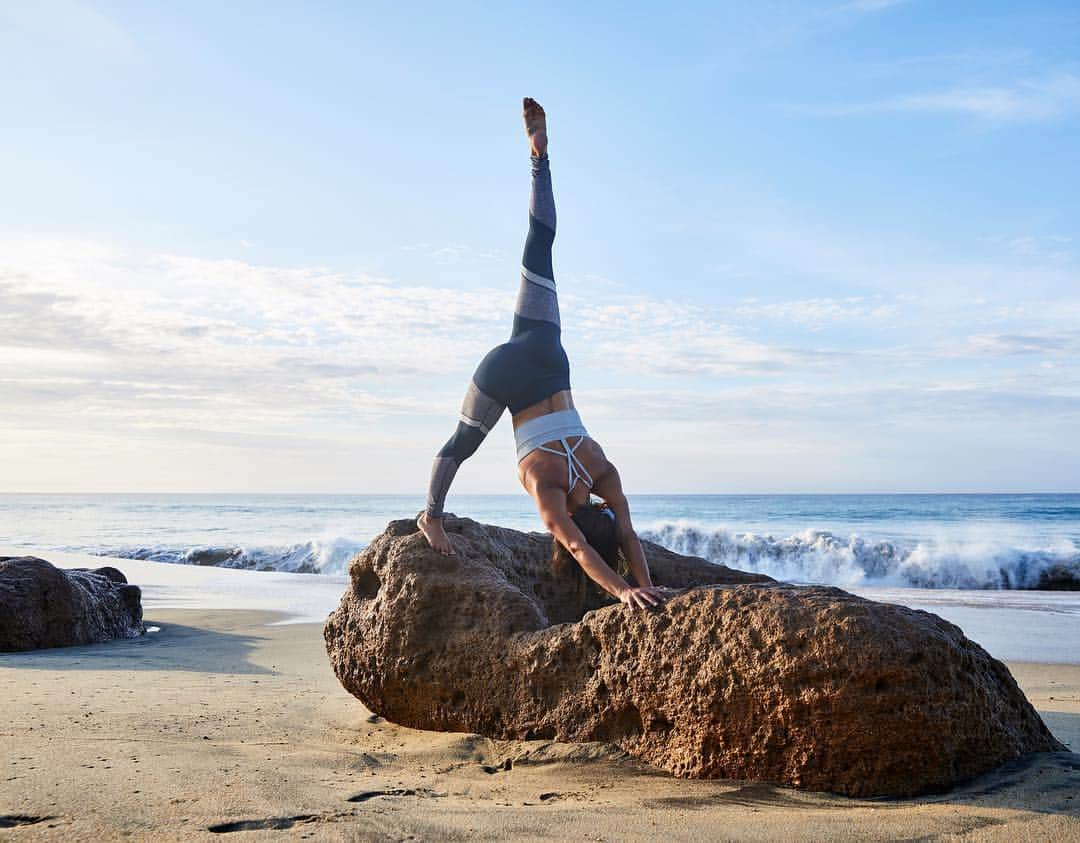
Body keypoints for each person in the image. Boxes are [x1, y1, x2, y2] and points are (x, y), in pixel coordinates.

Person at [417, 98, 667, 611]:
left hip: (543, 351)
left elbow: (626, 537)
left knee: (541, 243)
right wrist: (626, 590)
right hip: (513, 366)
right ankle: (430, 514)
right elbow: (582, 545)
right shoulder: (550, 489)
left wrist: (636, 585)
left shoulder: (602, 471)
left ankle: (539, 158)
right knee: (460, 444)